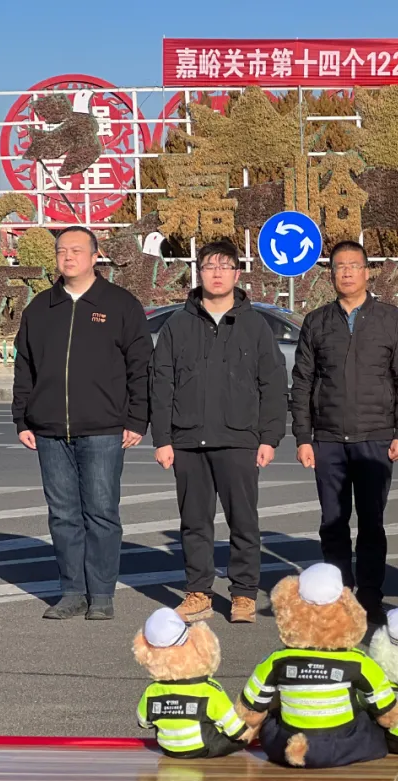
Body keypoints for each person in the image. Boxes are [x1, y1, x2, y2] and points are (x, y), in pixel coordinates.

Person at [12, 225, 152, 620]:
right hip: (49, 430)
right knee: (62, 515)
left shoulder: (120, 305)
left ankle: (102, 596)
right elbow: (25, 368)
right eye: (62, 250)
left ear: (95, 256)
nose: (68, 256)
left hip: (104, 429)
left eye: (76, 250)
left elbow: (141, 367)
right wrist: (22, 418)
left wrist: (137, 419)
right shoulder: (40, 308)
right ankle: (72, 592)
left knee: (102, 513)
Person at [149, 239, 287, 625]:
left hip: (239, 439)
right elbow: (161, 384)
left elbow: (273, 384)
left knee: (243, 521)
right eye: (210, 266)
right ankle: (198, 593)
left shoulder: (254, 326)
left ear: (237, 274)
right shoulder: (178, 325)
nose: (217, 273)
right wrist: (162, 439)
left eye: (225, 266)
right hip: (188, 440)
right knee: (194, 523)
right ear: (200, 272)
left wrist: (269, 437)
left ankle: (243, 593)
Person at [291, 240, 398, 626]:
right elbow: (302, 381)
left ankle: (370, 597)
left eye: (353, 265)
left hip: (375, 437)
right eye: (339, 267)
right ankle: (339, 597)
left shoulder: (390, 319)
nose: (346, 272)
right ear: (331, 274)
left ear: (367, 272)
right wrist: (303, 437)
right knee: (332, 523)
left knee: (371, 523)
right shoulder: (317, 321)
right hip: (328, 439)